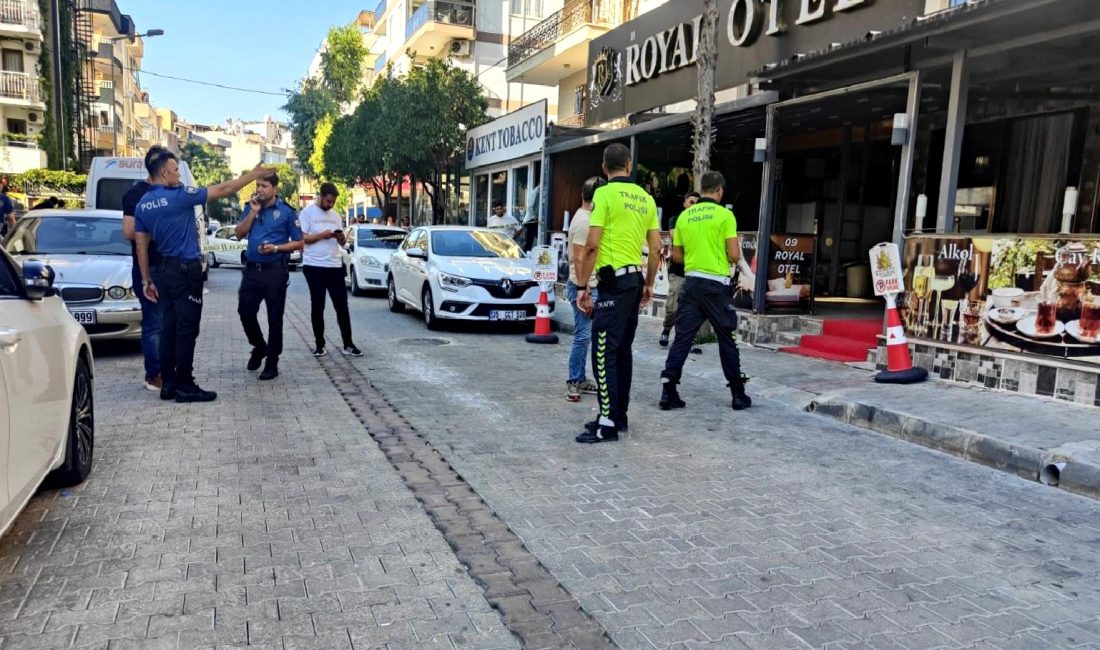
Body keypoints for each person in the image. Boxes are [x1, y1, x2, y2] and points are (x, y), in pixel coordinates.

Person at [136, 150, 274, 403]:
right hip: (185, 270)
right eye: (176, 169)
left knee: (169, 327)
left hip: (163, 271)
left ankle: (168, 383)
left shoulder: (143, 204)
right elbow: (224, 189)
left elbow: (141, 245)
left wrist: (146, 280)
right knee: (187, 329)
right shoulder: (178, 196)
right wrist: (253, 175)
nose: (179, 174)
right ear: (164, 172)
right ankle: (185, 385)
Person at [573, 143, 661, 444]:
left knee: (603, 351)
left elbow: (592, 245)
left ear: (603, 167)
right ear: (629, 164)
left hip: (613, 284)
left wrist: (583, 286)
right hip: (635, 280)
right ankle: (617, 416)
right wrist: (648, 284)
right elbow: (656, 249)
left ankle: (607, 423)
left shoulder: (603, 194)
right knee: (622, 351)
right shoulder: (646, 198)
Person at [659, 171, 751, 412]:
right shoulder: (725, 216)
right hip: (715, 286)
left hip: (691, 283)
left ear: (703, 189)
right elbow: (733, 254)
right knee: (726, 338)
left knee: (682, 337)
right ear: (719, 190)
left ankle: (668, 390)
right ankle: (738, 394)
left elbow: (677, 256)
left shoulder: (685, 216)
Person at [235, 173, 304, 381]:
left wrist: (276, 248)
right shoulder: (251, 207)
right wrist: (252, 213)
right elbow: (239, 233)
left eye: (264, 185)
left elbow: (299, 242)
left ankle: (272, 363)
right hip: (251, 271)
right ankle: (259, 346)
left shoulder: (287, 212)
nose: (259, 189)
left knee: (275, 318)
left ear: (275, 188)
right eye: (258, 185)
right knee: (245, 312)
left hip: (275, 271)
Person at [300, 182, 362, 359]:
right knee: (318, 305)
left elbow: (340, 242)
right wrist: (322, 235)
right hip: (314, 266)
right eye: (328, 201)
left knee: (342, 305)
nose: (330, 205)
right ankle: (320, 345)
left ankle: (348, 344)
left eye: (333, 202)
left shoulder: (335, 216)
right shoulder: (307, 213)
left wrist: (341, 238)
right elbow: (302, 238)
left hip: (334, 265)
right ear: (321, 196)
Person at [121, 151, 161, 391]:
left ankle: (168, 369)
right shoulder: (136, 194)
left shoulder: (172, 193)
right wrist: (166, 232)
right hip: (149, 268)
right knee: (154, 321)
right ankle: (154, 374)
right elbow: (129, 232)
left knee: (169, 322)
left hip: (170, 268)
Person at [565, 177, 605, 403]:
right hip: (583, 285)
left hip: (588, 284)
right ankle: (573, 381)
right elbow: (580, 259)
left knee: (587, 336)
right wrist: (584, 289)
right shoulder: (583, 221)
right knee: (582, 336)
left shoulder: (590, 218)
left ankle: (580, 378)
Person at [661, 191, 699, 348]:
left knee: (689, 309)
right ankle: (666, 329)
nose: (693, 206)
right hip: (678, 271)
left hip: (694, 271)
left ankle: (684, 339)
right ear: (684, 203)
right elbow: (675, 236)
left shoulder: (700, 223)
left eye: (697, 203)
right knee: (673, 306)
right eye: (691, 202)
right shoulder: (675, 220)